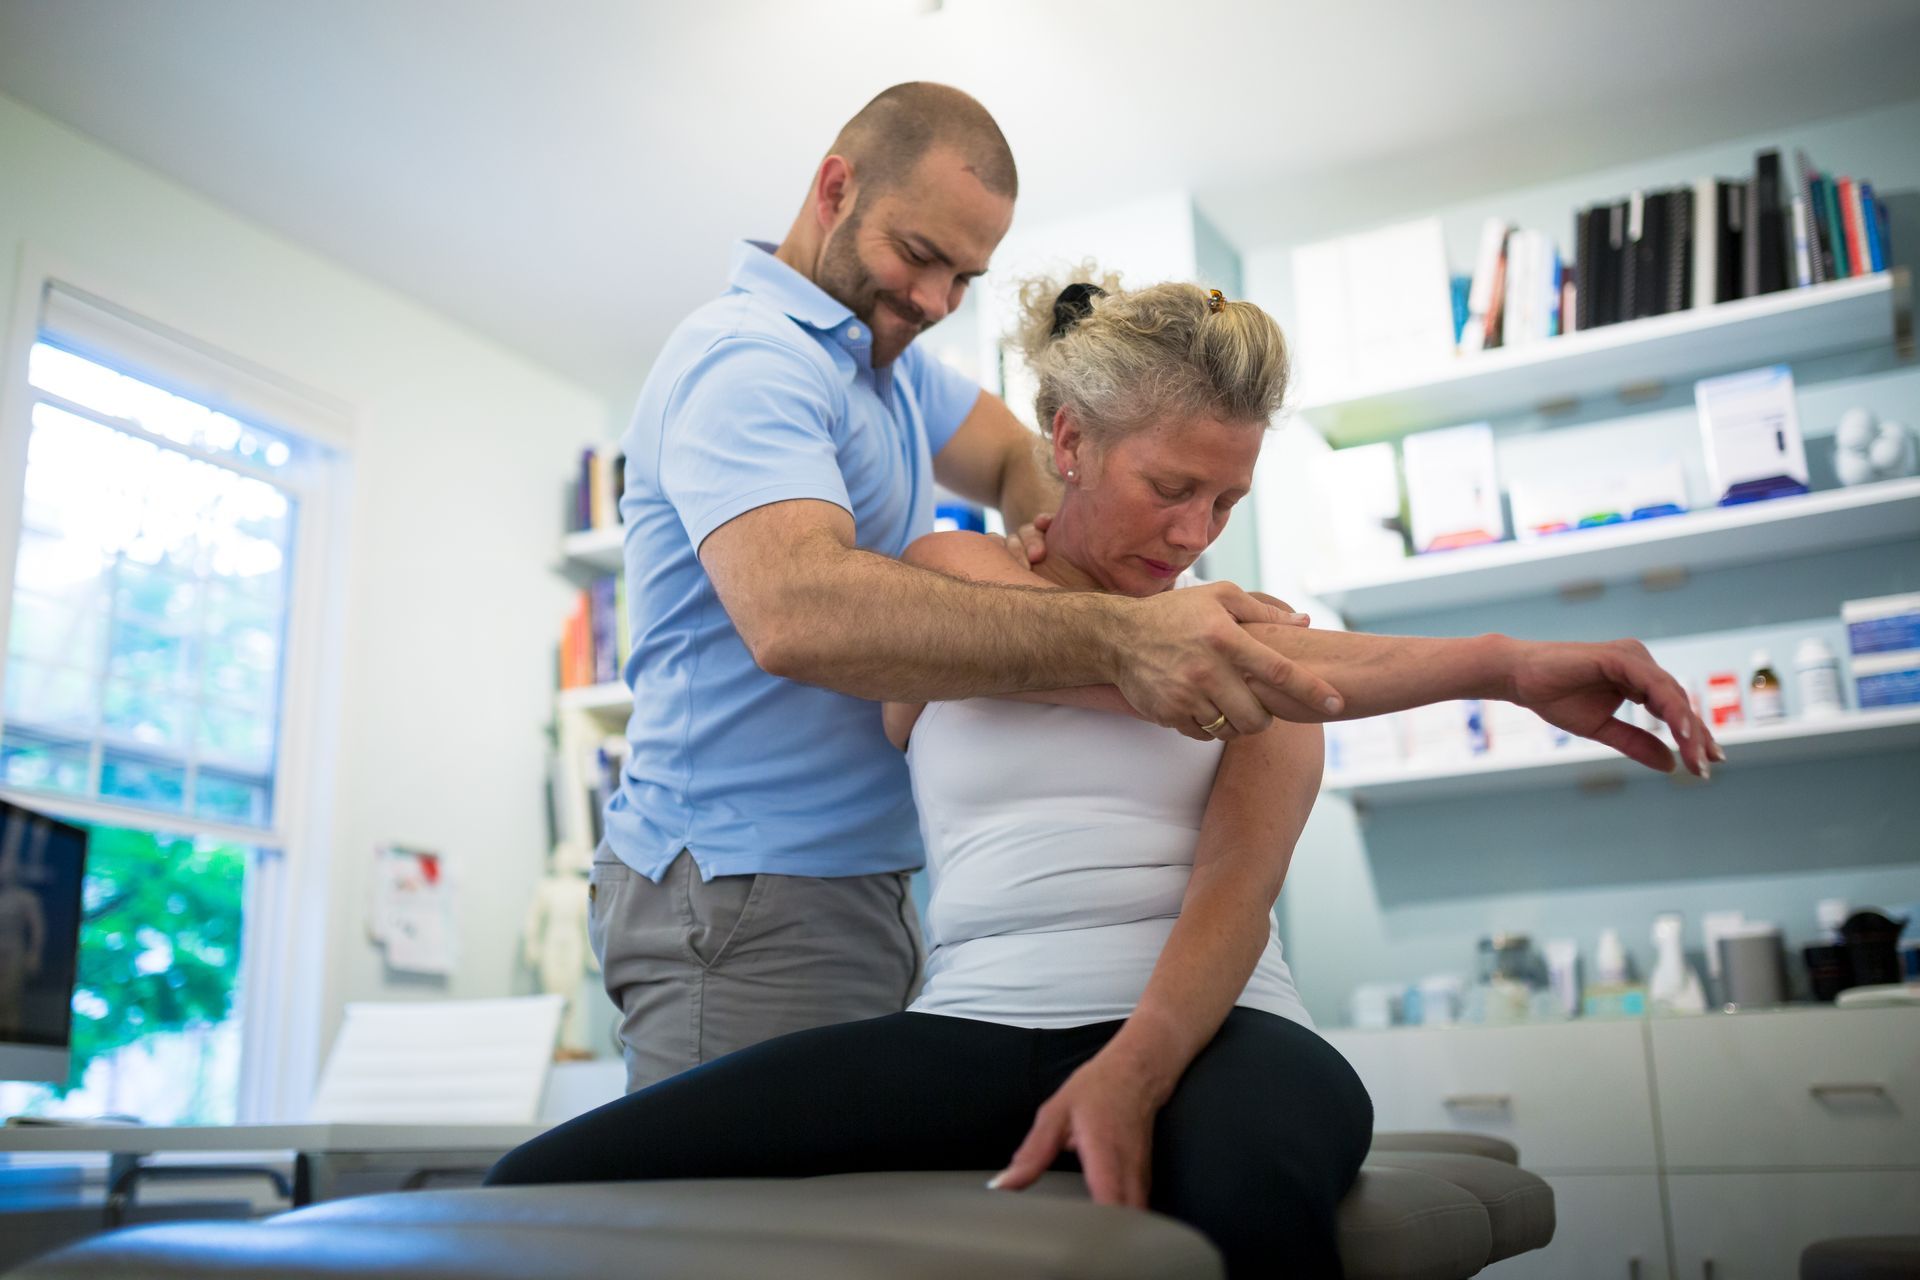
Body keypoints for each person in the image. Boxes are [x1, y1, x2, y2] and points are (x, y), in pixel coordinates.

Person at [493, 275, 1722, 1278]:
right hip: (970, 1026)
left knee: (1244, 1210)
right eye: (1170, 487)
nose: (1195, 534)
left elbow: (1236, 894)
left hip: (1230, 1032)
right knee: (542, 1185)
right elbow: (1117, 660)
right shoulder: (952, 581)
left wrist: (1135, 1063)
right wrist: (1478, 662)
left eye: (1225, 499)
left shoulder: (1267, 644)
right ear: (1069, 441)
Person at [595, 81, 1349, 1094]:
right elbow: (797, 611)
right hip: (746, 886)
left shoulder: (885, 363)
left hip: (869, 885)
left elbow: (1016, 459)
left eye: (965, 275)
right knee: (741, 1244)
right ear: (834, 188)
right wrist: (1121, 632)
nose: (938, 302)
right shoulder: (751, 361)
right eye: (919, 255)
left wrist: (1093, 546)